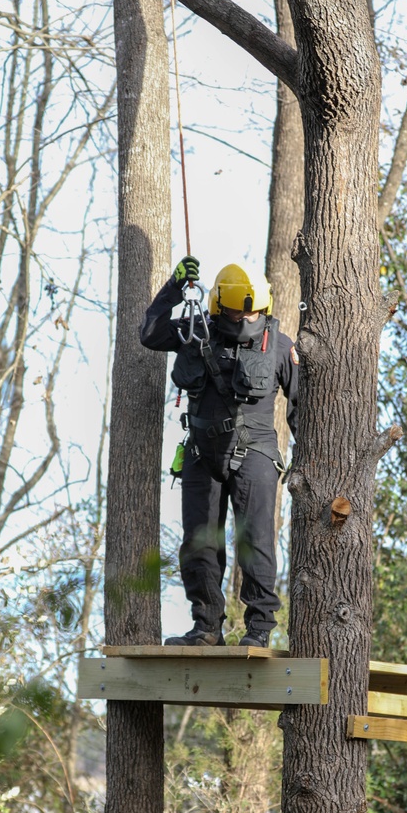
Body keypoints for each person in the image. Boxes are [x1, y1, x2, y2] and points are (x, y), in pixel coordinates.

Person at [139, 256, 298, 648]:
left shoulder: (278, 345)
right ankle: (206, 627)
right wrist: (174, 288)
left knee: (256, 540)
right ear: (216, 305)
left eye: (253, 312)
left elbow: (303, 408)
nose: (245, 318)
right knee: (199, 542)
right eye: (236, 311)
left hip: (257, 454)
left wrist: (306, 467)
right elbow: (151, 333)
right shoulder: (196, 330)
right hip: (200, 452)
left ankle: (259, 629)